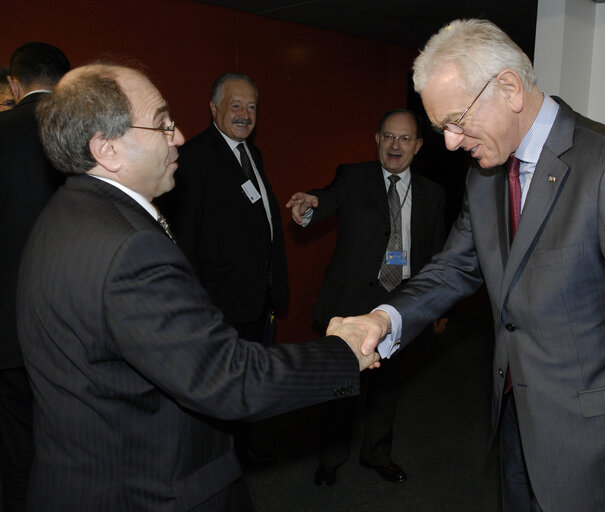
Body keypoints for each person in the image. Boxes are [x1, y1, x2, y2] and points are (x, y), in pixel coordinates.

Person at [346, 19, 605, 512]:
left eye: (457, 120)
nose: (452, 143)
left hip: (597, 438)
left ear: (509, 88)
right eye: (442, 130)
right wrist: (382, 318)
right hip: (516, 415)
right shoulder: (484, 176)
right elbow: (454, 269)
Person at [18, 63, 378, 512]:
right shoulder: (129, 248)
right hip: (145, 489)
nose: (179, 136)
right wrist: (342, 352)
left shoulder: (64, 213)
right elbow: (230, 378)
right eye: (163, 124)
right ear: (107, 149)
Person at [287, 109, 446, 487]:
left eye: (405, 139)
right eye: (389, 136)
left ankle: (377, 453)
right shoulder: (354, 177)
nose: (395, 145)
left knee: (388, 387)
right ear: (377, 138)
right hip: (353, 304)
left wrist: (441, 306)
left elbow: (439, 253)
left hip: (402, 303)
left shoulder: (433, 193)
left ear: (418, 146)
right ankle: (330, 459)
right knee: (342, 386)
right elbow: (326, 199)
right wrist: (310, 207)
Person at [158, 72, 287, 347]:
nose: (245, 114)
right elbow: (184, 242)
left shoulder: (252, 154)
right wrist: (197, 307)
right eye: (236, 105)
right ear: (214, 108)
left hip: (258, 303)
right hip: (218, 308)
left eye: (252, 107)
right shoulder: (193, 159)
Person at [0, 42, 69, 512]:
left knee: (14, 443)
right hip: (74, 318)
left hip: (6, 322)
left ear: (13, 84)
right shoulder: (85, 135)